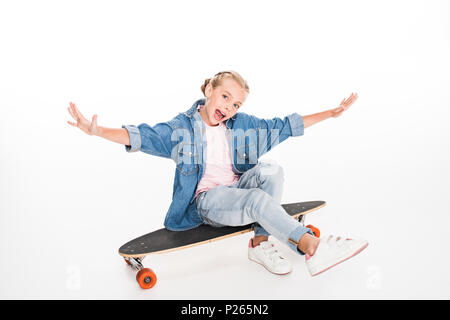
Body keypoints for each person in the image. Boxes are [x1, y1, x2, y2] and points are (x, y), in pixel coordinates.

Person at [67, 70, 368, 277]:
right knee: (255, 200)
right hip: (207, 202)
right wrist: (97, 132)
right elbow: (142, 136)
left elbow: (284, 126)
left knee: (272, 170)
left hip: (237, 190)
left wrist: (330, 113)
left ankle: (260, 246)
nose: (229, 107)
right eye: (225, 97)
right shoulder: (181, 130)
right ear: (209, 90)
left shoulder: (242, 125)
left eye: (236, 103)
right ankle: (312, 247)